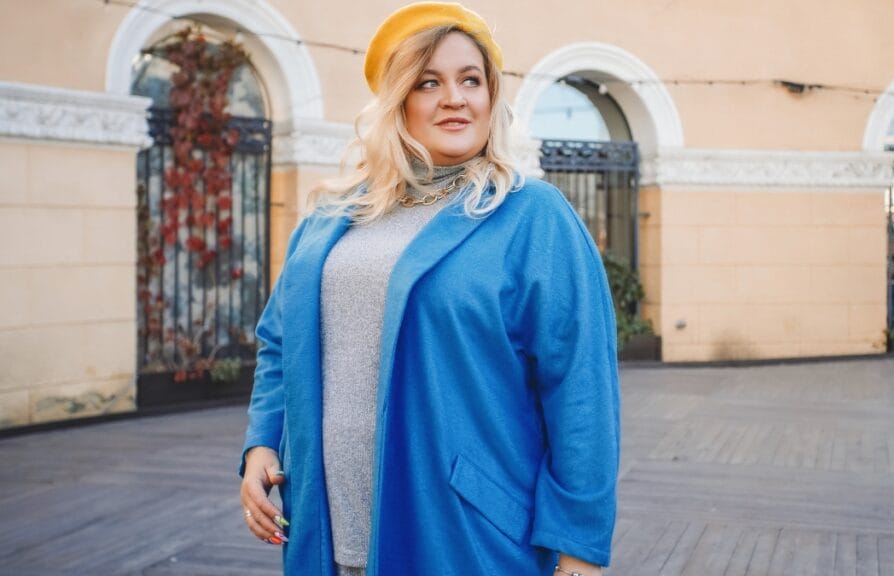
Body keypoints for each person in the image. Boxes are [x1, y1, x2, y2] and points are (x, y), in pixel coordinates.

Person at [238, 3, 620, 575]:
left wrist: (579, 550)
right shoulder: (330, 219)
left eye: (471, 80)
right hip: (327, 530)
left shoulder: (529, 215)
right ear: (398, 102)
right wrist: (262, 443)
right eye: (428, 82)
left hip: (463, 536)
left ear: (492, 98)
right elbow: (279, 343)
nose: (455, 98)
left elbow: (580, 388)